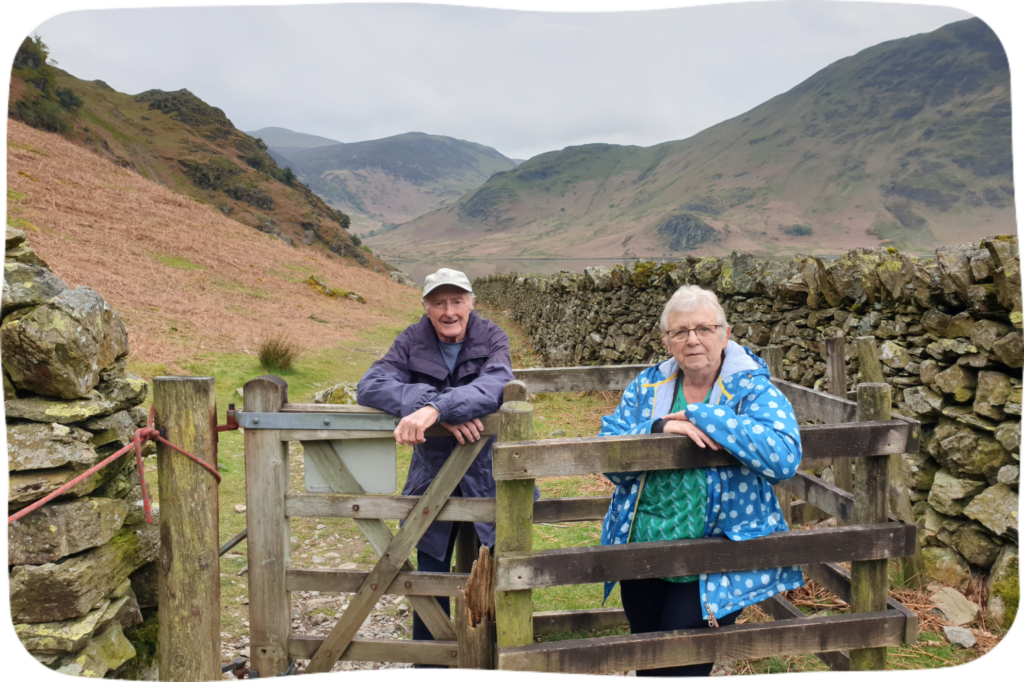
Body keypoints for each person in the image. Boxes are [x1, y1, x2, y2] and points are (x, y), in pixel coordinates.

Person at [598, 284, 805, 677]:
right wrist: (658, 426)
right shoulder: (648, 386)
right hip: (642, 546)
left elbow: (783, 457)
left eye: (704, 329)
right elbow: (609, 456)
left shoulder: (752, 388)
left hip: (717, 559)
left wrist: (704, 416)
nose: (692, 339)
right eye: (680, 332)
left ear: (726, 334)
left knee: (679, 667)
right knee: (646, 660)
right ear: (667, 341)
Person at [356, 268, 514, 654]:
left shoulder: (492, 336)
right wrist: (437, 405)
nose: (449, 311)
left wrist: (436, 409)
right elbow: (371, 385)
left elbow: (496, 385)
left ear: (471, 303)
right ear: (425, 307)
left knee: (495, 582)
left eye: (457, 301)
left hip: (488, 478)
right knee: (429, 582)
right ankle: (430, 665)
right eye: (439, 302)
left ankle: (494, 662)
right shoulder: (412, 340)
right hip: (431, 480)